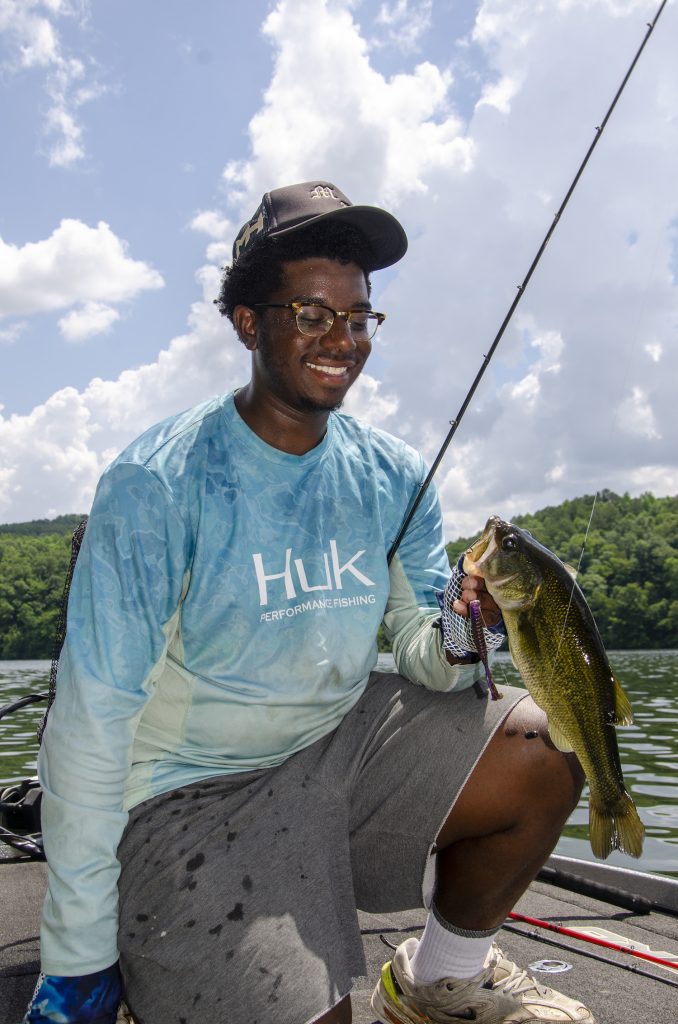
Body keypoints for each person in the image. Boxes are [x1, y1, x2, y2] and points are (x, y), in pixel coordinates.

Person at [26, 181, 593, 1024]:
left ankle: (440, 979)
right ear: (249, 322)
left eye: (359, 316)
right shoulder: (157, 483)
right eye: (311, 313)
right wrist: (76, 953)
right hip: (184, 792)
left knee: (552, 744)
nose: (343, 339)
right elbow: (91, 721)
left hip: (334, 747)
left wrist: (465, 630)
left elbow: (421, 648)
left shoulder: (396, 472)